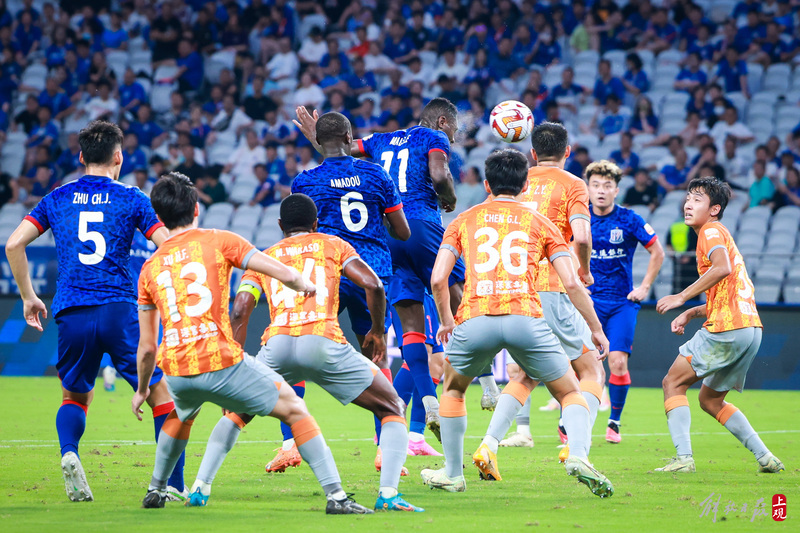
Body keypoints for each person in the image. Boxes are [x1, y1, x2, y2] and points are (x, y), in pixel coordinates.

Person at [132, 175, 372, 514]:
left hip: (178, 368)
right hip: (221, 361)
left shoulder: (149, 267)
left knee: (180, 414)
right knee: (295, 408)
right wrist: (301, 282)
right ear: (197, 208)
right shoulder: (220, 239)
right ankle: (336, 496)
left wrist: (143, 389)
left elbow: (146, 349)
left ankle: (156, 489)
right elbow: (279, 271)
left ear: (158, 217)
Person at [4, 120, 187, 503]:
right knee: (161, 394)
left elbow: (13, 245)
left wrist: (28, 297)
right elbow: (167, 246)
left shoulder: (57, 197)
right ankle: (172, 485)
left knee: (74, 396)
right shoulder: (133, 198)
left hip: (71, 311)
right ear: (118, 157)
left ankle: (69, 452)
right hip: (120, 310)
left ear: (82, 156)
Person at [420, 149, 613, 497]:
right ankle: (579, 456)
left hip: (476, 318)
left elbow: (437, 280)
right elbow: (572, 282)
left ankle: (453, 474)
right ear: (525, 184)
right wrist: (596, 329)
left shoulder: (464, 219)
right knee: (570, 390)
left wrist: (447, 321)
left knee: (453, 390)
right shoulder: (542, 223)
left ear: (486, 183)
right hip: (525, 317)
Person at [223, 193, 423, 512]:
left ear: (279, 225)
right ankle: (386, 477)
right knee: (392, 403)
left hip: (279, 341)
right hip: (335, 319)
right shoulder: (332, 242)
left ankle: (198, 486)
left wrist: (234, 361)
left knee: (239, 412)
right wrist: (376, 331)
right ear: (316, 223)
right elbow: (374, 283)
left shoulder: (266, 255)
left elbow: (239, 310)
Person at [294, 98, 466, 441]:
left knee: (299, 347)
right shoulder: (426, 143)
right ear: (444, 121)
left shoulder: (376, 142)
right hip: (407, 241)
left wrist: (318, 137)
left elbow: (340, 151)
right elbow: (437, 174)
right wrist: (449, 197)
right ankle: (484, 373)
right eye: (456, 129)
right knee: (457, 302)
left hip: (354, 259)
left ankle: (290, 439)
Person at [286, 112, 410, 470]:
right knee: (377, 357)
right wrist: (381, 217)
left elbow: (302, 229)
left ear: (320, 140)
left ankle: (290, 444)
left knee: (297, 349)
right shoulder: (376, 175)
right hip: (371, 275)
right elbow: (402, 232)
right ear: (349, 135)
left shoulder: (306, 181)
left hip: (327, 272)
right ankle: (386, 449)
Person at [654, 177, 783, 474]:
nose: (688, 203)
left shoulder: (710, 231)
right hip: (750, 329)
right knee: (710, 399)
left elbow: (722, 268)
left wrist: (681, 296)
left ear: (714, 209)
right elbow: (725, 291)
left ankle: (684, 459)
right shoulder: (721, 234)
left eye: (697, 199)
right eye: (688, 197)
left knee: (672, 383)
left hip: (727, 328)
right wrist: (690, 312)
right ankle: (765, 457)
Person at [585, 161, 664, 443]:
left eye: (607, 186)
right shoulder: (579, 219)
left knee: (617, 363)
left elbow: (658, 251)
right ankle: (568, 422)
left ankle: (614, 422)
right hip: (589, 302)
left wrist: (644, 287)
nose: (601, 191)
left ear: (616, 190)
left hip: (621, 302)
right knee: (584, 365)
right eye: (596, 185)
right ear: (588, 189)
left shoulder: (630, 219)